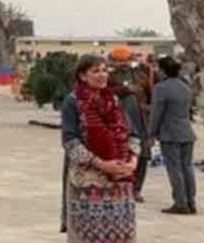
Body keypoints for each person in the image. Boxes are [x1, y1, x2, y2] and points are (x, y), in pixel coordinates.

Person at [60, 56, 137, 242]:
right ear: (83, 76)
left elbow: (133, 134)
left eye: (104, 70)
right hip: (88, 186)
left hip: (120, 181)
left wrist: (133, 162)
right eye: (96, 71)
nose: (102, 75)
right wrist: (101, 164)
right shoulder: (73, 102)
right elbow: (70, 142)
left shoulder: (114, 100)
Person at [150, 56, 198, 215]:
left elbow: (156, 113)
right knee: (188, 168)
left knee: (175, 169)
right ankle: (191, 202)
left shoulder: (160, 88)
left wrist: (152, 133)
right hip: (187, 132)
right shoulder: (186, 86)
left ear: (163, 71)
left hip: (170, 135)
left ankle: (180, 203)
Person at [115, 72, 151, 203]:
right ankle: (127, 188)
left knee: (143, 158)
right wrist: (126, 89)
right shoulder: (114, 85)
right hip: (124, 129)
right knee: (127, 158)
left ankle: (136, 190)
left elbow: (149, 102)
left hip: (141, 126)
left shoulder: (142, 84)